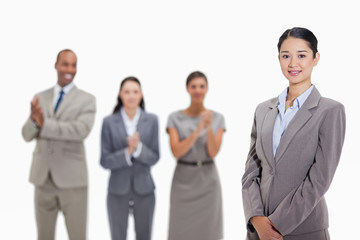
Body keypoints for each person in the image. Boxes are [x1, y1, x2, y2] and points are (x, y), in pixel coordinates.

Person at [242, 27, 346, 240]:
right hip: (258, 232)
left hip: (304, 230)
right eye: (285, 56)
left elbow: (320, 180)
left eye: (302, 55)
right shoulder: (263, 110)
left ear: (315, 58)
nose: (293, 63)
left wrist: (276, 224)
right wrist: (256, 218)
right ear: (278, 58)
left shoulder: (330, 110)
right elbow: (251, 173)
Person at [21, 49, 96, 240]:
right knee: (43, 236)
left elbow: (79, 131)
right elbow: (26, 135)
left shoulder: (87, 100)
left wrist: (44, 123)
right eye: (65, 64)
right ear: (56, 65)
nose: (69, 69)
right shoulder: (40, 97)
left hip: (72, 180)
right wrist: (35, 122)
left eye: (73, 65)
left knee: (77, 236)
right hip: (42, 178)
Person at [166, 71, 225, 240]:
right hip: (183, 180)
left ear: (207, 89)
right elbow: (176, 151)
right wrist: (198, 129)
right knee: (180, 228)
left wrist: (208, 128)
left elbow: (213, 152)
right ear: (187, 89)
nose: (198, 90)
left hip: (208, 180)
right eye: (193, 86)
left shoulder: (217, 118)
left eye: (201, 86)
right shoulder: (175, 118)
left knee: (210, 230)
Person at [100, 76, 159, 240]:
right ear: (120, 94)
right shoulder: (109, 122)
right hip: (117, 190)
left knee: (144, 236)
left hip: (145, 190)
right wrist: (127, 152)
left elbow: (155, 156)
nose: (131, 96)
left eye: (135, 91)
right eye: (127, 92)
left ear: (141, 95)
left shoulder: (152, 120)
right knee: (117, 236)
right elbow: (104, 160)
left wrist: (138, 149)